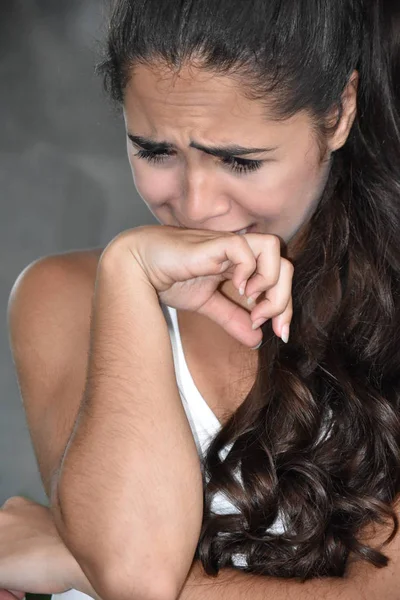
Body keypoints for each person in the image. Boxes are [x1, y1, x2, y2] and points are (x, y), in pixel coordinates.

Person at [2, 0, 400, 598]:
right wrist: (130, 274)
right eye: (155, 151)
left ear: (339, 114)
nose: (195, 207)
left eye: (240, 160)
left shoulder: (387, 313)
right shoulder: (65, 294)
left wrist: (69, 556)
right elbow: (135, 566)